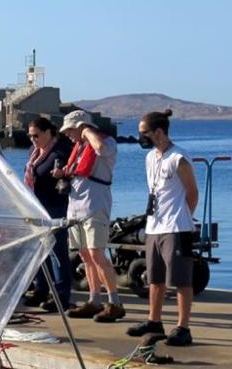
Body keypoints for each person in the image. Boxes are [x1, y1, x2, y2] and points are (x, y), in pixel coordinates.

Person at [127, 109, 199, 346]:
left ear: (158, 132)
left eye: (144, 133)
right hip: (154, 226)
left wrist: (183, 217)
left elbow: (192, 192)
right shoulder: (151, 158)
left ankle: (183, 327)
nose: (141, 138)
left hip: (176, 227)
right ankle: (154, 321)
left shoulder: (178, 157)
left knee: (180, 279)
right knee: (154, 278)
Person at [53, 110, 124, 322]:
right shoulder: (80, 148)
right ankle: (95, 300)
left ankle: (115, 301)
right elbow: (75, 171)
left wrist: (87, 131)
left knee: (97, 254)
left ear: (83, 127)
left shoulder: (105, 143)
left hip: (95, 206)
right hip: (76, 207)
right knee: (85, 255)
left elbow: (100, 148)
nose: (67, 134)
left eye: (71, 130)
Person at [22, 117, 73, 311]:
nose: (32, 139)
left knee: (56, 250)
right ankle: (40, 288)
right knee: (37, 250)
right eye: (30, 136)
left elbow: (67, 177)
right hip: (35, 206)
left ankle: (61, 295)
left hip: (55, 206)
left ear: (48, 132)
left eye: (36, 135)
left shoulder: (60, 151)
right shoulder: (35, 152)